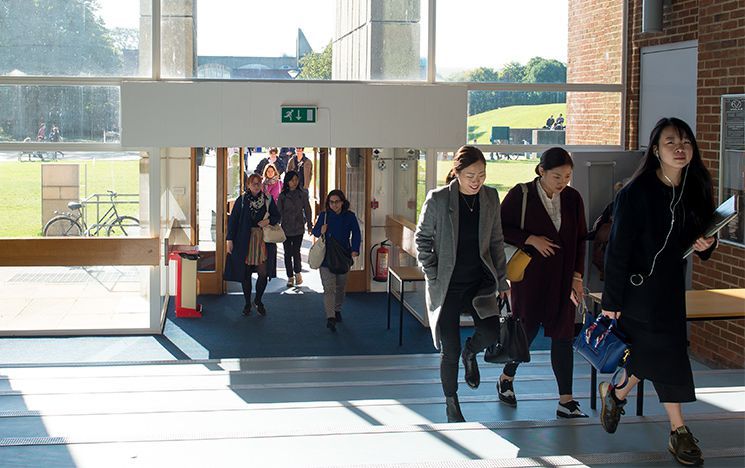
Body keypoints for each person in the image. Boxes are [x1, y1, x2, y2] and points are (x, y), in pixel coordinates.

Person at [598, 117, 715, 467]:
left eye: (685, 142)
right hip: (636, 290)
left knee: (656, 350)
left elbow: (705, 233)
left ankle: (617, 392)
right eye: (670, 142)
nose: (680, 149)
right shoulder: (636, 193)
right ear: (655, 150)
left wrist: (707, 243)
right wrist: (611, 301)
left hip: (669, 288)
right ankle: (679, 431)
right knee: (669, 351)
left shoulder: (695, 187)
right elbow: (617, 249)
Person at [415, 145, 510, 423]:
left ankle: (472, 353)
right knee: (449, 351)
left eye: (481, 174)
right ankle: (451, 403)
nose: (476, 181)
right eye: (470, 175)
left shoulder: (491, 197)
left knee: (492, 333)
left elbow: (496, 241)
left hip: (479, 283)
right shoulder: (438, 199)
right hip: (447, 286)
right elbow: (422, 240)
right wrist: (432, 272)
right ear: (456, 173)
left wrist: (502, 280)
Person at [498, 147, 588, 418]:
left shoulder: (573, 198)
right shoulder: (521, 194)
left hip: (563, 278)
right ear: (541, 171)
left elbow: (581, 239)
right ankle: (506, 378)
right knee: (527, 331)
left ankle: (566, 400)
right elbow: (499, 228)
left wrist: (577, 277)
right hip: (531, 277)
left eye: (568, 176)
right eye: (557, 176)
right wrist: (530, 239)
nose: (563, 183)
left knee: (564, 334)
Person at [225, 173, 281, 317]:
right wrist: (229, 239)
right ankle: (247, 303)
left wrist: (267, 221)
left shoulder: (267, 199)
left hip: (263, 241)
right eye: (254, 183)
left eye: (259, 183)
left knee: (263, 272)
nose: (257, 186)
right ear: (248, 185)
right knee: (246, 273)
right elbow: (233, 221)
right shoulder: (242, 200)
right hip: (245, 240)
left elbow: (277, 216)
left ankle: (258, 300)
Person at [311, 189, 360, 332]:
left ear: (342, 202)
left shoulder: (349, 217)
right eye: (331, 202)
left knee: (340, 286)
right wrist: (321, 230)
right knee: (329, 288)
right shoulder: (324, 216)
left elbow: (356, 233)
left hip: (343, 256)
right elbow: (314, 231)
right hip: (326, 257)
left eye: (337, 202)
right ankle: (330, 317)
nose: (334, 205)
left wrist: (355, 249)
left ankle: (337, 309)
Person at [277, 171, 313, 288]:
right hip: (286, 228)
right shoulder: (282, 196)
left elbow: (307, 209)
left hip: (298, 227)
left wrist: (309, 224)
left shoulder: (302, 194)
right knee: (288, 253)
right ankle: (290, 277)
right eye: (292, 180)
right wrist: (277, 225)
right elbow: (279, 212)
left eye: (296, 180)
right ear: (287, 181)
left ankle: (298, 273)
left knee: (296, 252)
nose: (295, 182)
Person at [261, 163, 282, 280]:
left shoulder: (278, 183)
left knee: (272, 238)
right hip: (263, 214)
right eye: (268, 171)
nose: (270, 173)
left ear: (275, 172)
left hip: (273, 212)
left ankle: (270, 270)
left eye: (271, 171)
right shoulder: (262, 184)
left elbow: (276, 196)